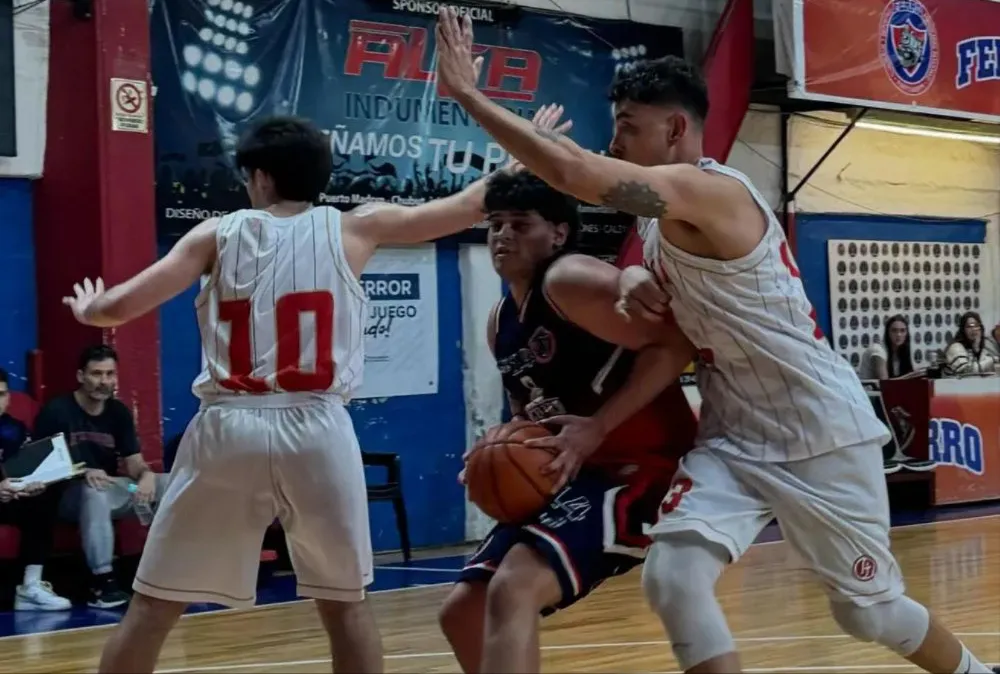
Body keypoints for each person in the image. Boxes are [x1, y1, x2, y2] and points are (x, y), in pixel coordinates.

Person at [433, 10, 998, 674]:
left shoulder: (713, 191)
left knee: (868, 612)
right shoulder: (657, 221)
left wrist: (470, 96)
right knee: (670, 577)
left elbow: (577, 176)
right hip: (732, 431)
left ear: (675, 130)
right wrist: (637, 274)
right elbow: (662, 273)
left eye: (627, 128)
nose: (614, 143)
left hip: (819, 429)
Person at [61, 109, 567, 674]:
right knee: (345, 606)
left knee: (153, 606)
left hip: (230, 426)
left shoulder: (216, 233)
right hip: (318, 429)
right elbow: (465, 206)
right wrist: (520, 151)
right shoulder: (357, 226)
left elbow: (122, 305)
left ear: (260, 177)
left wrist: (90, 309)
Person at [438, 171, 696, 673]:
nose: (502, 236)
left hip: (643, 470)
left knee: (514, 588)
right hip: (580, 474)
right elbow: (527, 412)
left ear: (557, 233)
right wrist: (500, 449)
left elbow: (676, 343)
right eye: (494, 225)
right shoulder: (500, 322)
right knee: (462, 611)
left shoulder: (567, 279)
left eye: (519, 224)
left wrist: (597, 426)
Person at [34, 345, 167, 608]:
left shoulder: (118, 412)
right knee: (94, 492)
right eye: (96, 374)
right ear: (81, 376)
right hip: (66, 495)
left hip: (112, 488)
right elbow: (40, 466)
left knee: (172, 482)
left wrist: (147, 476)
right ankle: (102, 582)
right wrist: (82, 470)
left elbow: (133, 462)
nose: (103, 382)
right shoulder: (57, 410)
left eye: (109, 374)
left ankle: (172, 570)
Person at [0, 368, 72, 611]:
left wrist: (32, 485)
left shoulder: (14, 429)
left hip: (9, 497)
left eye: (1, 395)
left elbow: (21, 467)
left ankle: (30, 587)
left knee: (45, 498)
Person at [859, 315, 913, 380]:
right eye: (894, 330)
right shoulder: (877, 351)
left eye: (902, 331)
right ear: (887, 333)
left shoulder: (901, 353)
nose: (899, 334)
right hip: (870, 390)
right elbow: (885, 383)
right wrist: (911, 375)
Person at [943, 311, 997, 376]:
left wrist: (977, 349)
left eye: (976, 325)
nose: (973, 329)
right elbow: (965, 372)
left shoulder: (986, 345)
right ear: (963, 330)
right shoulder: (955, 347)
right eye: (969, 326)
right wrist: (992, 362)